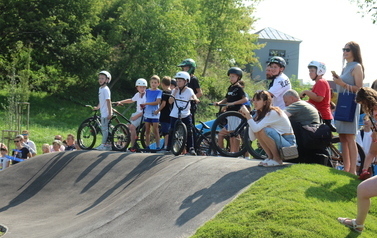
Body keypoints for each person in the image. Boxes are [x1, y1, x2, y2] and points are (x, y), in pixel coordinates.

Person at [239, 90, 296, 167]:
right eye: (254, 100)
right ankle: (270, 157)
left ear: (265, 102)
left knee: (263, 130)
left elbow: (256, 129)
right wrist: (249, 118)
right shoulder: (260, 114)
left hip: (289, 147)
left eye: (258, 100)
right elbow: (252, 137)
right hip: (282, 143)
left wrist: (248, 115)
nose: (255, 102)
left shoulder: (273, 112)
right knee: (260, 130)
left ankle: (277, 159)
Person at [332, 41, 364, 175]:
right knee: (342, 137)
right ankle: (346, 167)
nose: (344, 52)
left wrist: (342, 83)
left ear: (354, 52)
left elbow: (359, 89)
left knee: (350, 137)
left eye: (347, 50)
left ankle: (352, 170)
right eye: (343, 49)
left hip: (351, 104)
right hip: (341, 103)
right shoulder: (345, 67)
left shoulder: (356, 67)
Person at [283, 90, 329, 164]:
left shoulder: (298, 104)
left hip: (307, 135)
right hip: (313, 134)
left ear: (292, 98)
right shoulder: (306, 104)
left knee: (289, 124)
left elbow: (282, 116)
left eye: (286, 102)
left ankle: (287, 154)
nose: (285, 105)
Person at [214, 67, 247, 153]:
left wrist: (233, 103)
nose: (231, 78)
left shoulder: (239, 88)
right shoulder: (230, 88)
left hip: (235, 113)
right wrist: (219, 103)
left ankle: (234, 153)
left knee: (234, 134)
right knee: (227, 134)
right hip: (229, 114)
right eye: (230, 77)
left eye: (233, 76)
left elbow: (245, 99)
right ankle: (226, 152)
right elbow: (226, 99)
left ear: (238, 77)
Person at [167, 71, 200, 155]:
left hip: (185, 113)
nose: (178, 83)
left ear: (186, 81)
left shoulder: (189, 90)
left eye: (180, 81)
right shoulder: (175, 90)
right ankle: (169, 147)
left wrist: (195, 99)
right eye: (177, 81)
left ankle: (191, 148)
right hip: (175, 113)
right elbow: (170, 102)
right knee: (171, 130)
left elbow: (193, 96)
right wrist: (174, 93)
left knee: (189, 130)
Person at [300, 61, 335, 131]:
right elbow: (314, 100)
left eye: (312, 71)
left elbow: (319, 98)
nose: (310, 73)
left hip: (323, 116)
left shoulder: (321, 82)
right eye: (309, 71)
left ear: (320, 71)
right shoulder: (318, 83)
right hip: (320, 115)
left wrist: (305, 92)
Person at [115, 78, 147, 152]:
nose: (142, 89)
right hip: (137, 113)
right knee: (127, 128)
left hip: (143, 115)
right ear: (137, 88)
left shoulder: (146, 96)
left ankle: (132, 147)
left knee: (132, 127)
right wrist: (120, 101)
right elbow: (131, 100)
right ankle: (125, 144)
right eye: (140, 87)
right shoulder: (137, 94)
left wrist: (136, 116)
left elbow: (146, 110)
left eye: (144, 87)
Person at [355, 87, 377, 180]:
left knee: (372, 152)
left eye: (363, 103)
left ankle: (364, 171)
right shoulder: (373, 108)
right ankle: (364, 171)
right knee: (371, 152)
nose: (364, 106)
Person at [177, 59, 202, 126]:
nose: (184, 70)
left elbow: (200, 92)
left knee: (190, 124)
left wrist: (192, 98)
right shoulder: (182, 80)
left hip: (190, 104)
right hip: (182, 104)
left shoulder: (193, 79)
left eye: (186, 68)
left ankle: (192, 135)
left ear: (191, 69)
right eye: (183, 68)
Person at [140, 75, 162, 149]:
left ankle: (158, 146)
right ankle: (147, 146)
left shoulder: (159, 92)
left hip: (155, 113)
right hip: (147, 113)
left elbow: (157, 102)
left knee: (155, 130)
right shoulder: (147, 91)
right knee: (147, 130)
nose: (153, 84)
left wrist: (146, 103)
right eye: (152, 82)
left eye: (155, 82)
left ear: (158, 84)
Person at [93, 70, 113, 151]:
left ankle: (103, 145)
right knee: (105, 129)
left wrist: (110, 112)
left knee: (104, 129)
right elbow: (102, 100)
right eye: (99, 78)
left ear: (107, 80)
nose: (100, 80)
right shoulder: (100, 88)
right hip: (103, 112)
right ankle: (108, 144)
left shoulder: (106, 89)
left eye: (102, 78)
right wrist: (97, 107)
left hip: (106, 113)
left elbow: (108, 101)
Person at [155, 76, 172, 150]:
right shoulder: (172, 91)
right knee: (168, 129)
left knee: (166, 131)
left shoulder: (165, 93)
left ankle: (166, 146)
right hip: (171, 113)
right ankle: (166, 145)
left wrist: (158, 110)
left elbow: (163, 104)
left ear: (162, 84)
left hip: (165, 114)